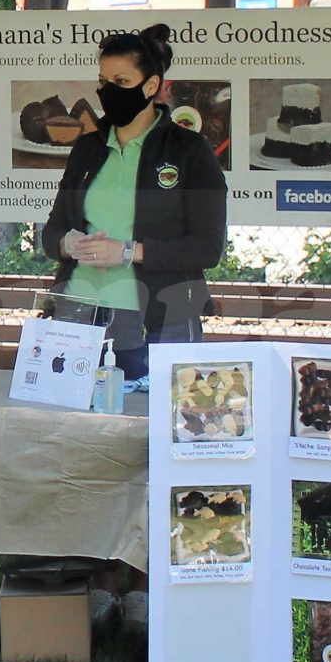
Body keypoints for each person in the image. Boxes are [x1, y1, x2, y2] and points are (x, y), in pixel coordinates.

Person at [38, 22, 229, 388]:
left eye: (121, 82)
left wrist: (127, 252)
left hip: (159, 316)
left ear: (152, 85)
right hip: (78, 312)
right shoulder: (87, 149)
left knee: (149, 431)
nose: (108, 91)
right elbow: (52, 232)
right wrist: (69, 243)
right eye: (102, 81)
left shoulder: (189, 151)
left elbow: (207, 247)